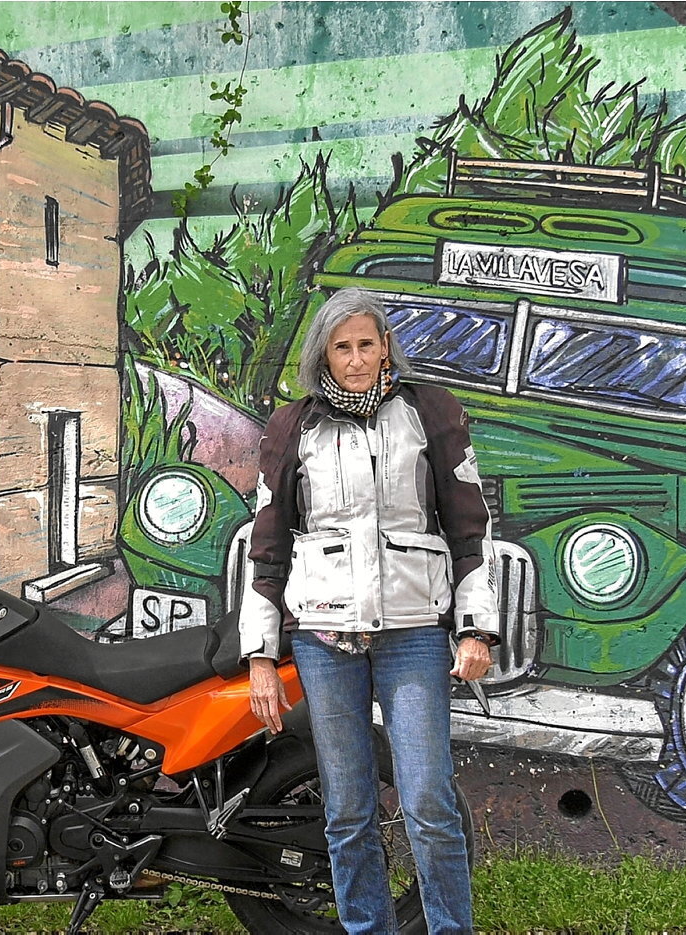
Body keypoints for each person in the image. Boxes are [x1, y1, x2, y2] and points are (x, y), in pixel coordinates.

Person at [238, 287, 499, 935]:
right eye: (342, 347)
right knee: (348, 810)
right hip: (325, 638)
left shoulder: (429, 411)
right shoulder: (294, 426)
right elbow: (267, 547)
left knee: (429, 803)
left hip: (413, 632)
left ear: (386, 347)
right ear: (323, 355)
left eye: (366, 344)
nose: (355, 359)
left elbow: (470, 529)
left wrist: (475, 628)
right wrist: (261, 654)